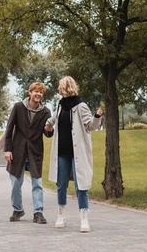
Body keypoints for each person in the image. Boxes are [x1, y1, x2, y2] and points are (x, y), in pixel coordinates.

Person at [44, 76, 103, 232]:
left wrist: (97, 116)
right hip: (62, 152)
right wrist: (48, 124)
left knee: (80, 186)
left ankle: (84, 218)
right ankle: (61, 215)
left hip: (77, 153)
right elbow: (53, 119)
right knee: (61, 184)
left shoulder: (81, 106)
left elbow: (91, 126)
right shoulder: (60, 105)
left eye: (60, 86)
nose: (58, 88)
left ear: (65, 87)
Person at [4, 82, 53, 224]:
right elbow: (9, 128)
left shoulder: (46, 112)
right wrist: (7, 149)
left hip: (35, 152)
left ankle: (38, 212)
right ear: (30, 92)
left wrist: (49, 130)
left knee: (37, 183)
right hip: (17, 151)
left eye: (41, 92)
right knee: (15, 184)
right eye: (36, 91)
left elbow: (47, 133)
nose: (38, 94)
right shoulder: (18, 107)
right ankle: (17, 209)